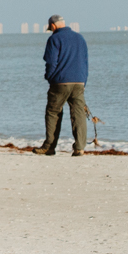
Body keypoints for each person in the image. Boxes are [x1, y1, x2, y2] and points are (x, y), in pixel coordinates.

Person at [37, 15, 89, 156]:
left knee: (53, 112)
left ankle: (50, 146)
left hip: (60, 81)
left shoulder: (54, 39)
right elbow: (85, 62)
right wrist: (84, 81)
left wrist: (50, 77)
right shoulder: (80, 38)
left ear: (53, 26)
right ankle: (79, 147)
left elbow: (51, 62)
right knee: (78, 114)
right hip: (79, 81)